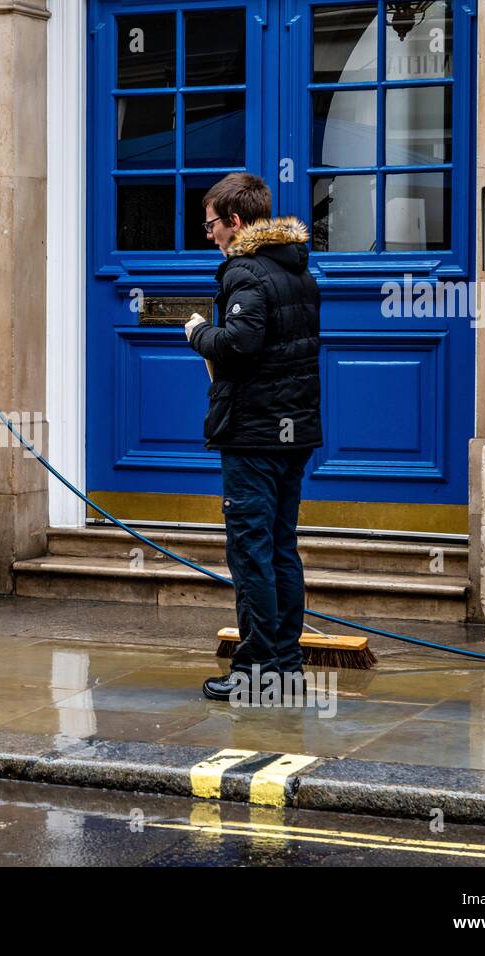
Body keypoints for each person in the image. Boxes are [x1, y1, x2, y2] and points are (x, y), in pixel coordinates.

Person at [184, 173, 322, 701]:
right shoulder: (297, 270)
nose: (209, 234)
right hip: (293, 431)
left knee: (251, 551)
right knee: (281, 547)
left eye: (212, 223)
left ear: (236, 222)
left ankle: (257, 672)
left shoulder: (244, 273)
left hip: (253, 433)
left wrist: (198, 333)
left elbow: (240, 344)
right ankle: (285, 667)